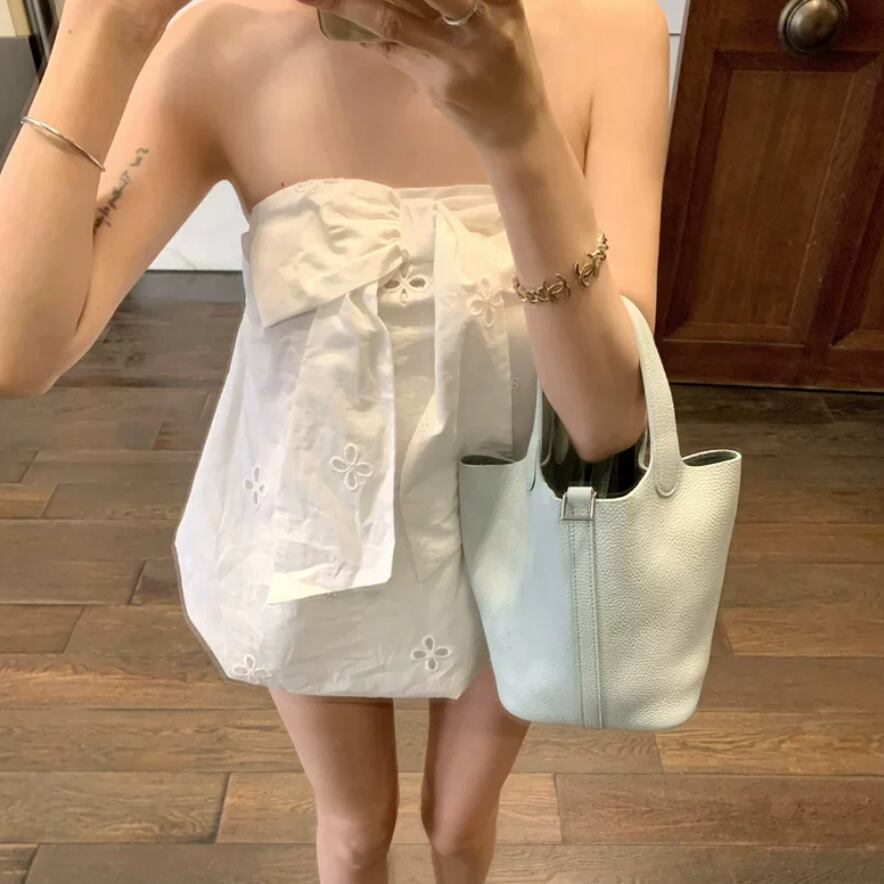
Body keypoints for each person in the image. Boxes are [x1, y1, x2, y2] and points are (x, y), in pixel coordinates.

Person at [0, 0, 670, 881]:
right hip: (315, 523)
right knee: (354, 831)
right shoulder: (224, 41)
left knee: (462, 824)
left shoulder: (611, 29)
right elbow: (17, 349)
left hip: (518, 524)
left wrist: (518, 135)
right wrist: (105, 26)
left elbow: (608, 421)